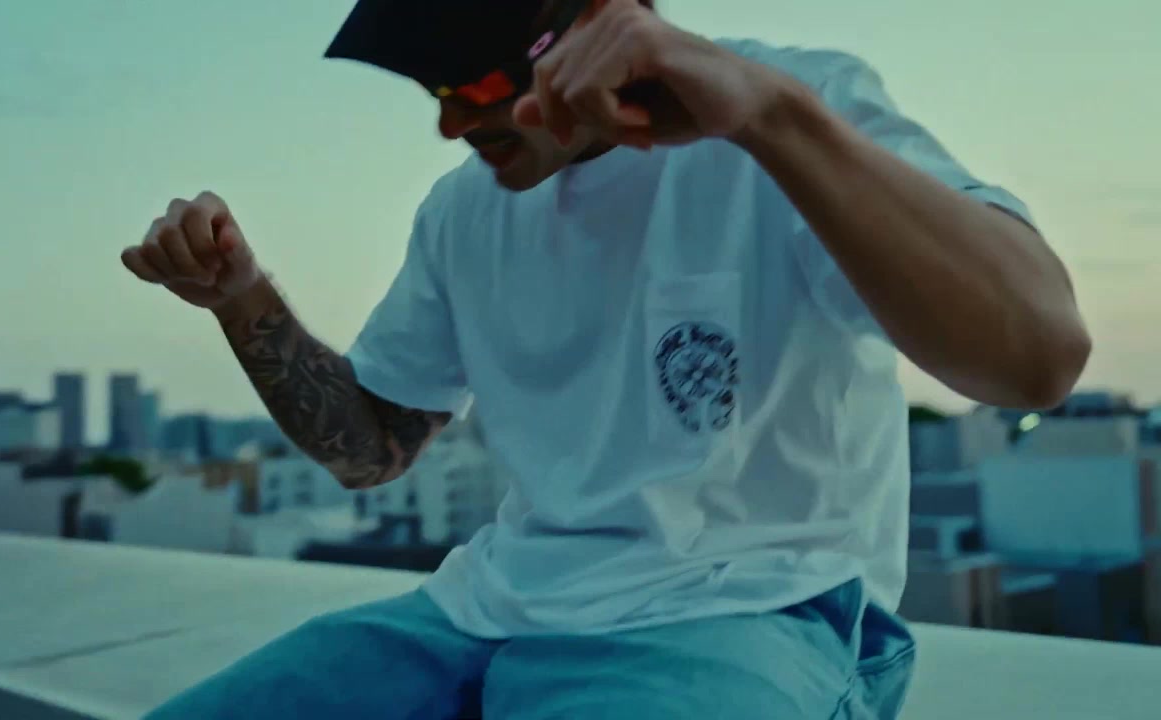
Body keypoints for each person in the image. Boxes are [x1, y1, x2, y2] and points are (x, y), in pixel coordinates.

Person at [124, 0, 1091, 717]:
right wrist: (239, 299)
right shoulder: (463, 211)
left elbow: (1038, 360)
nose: (451, 124)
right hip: (482, 613)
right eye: (431, 92)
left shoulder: (798, 108)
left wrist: (773, 120)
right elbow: (371, 447)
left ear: (597, 21)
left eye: (476, 86)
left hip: (748, 614)